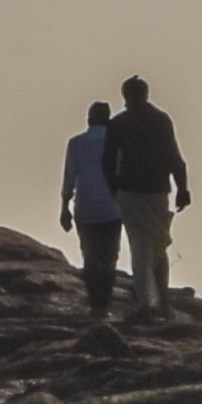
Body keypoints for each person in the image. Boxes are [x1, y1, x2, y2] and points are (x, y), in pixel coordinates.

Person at [110, 74, 191, 310]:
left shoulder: (119, 123)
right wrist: (182, 188)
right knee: (157, 246)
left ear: (125, 95)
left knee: (140, 248)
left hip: (130, 192)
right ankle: (161, 300)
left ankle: (147, 303)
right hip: (157, 192)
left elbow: (108, 163)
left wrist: (112, 190)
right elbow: (175, 158)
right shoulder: (161, 120)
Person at [60, 99, 125, 321]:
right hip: (112, 207)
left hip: (85, 206)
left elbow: (69, 177)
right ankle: (103, 305)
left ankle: (94, 303)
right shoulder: (117, 143)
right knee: (109, 258)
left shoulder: (77, 143)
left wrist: (64, 208)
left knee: (89, 256)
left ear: (89, 119)